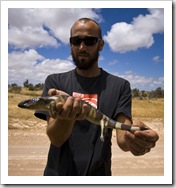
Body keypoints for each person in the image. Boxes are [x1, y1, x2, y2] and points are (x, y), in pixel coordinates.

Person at [35, 18, 159, 176]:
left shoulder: (120, 85)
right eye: (76, 40)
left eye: (90, 40)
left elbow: (122, 138)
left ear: (100, 44)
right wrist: (66, 116)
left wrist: (136, 138)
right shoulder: (55, 82)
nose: (82, 47)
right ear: (70, 44)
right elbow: (56, 139)